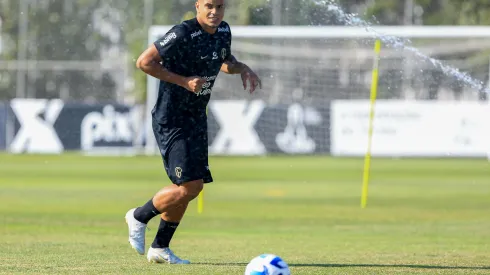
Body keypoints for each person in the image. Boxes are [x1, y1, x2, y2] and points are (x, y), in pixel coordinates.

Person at [125, 0, 262, 264]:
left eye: (220, 6)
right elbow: (144, 62)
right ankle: (139, 216)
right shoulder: (183, 33)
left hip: (196, 117)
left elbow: (225, 61)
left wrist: (242, 68)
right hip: (172, 118)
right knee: (190, 186)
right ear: (198, 6)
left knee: (189, 187)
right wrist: (184, 81)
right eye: (209, 6)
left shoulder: (223, 31)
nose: (214, 12)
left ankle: (160, 248)